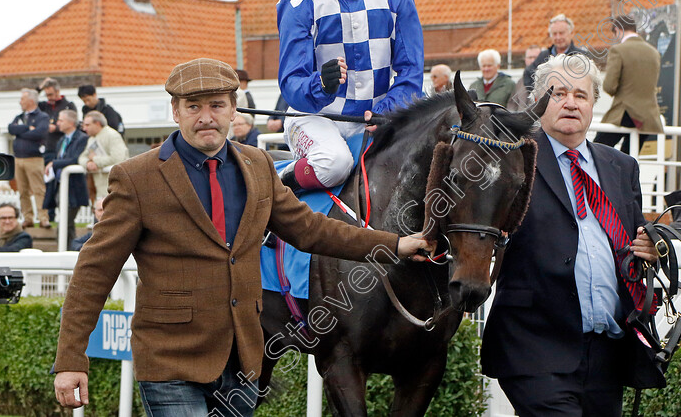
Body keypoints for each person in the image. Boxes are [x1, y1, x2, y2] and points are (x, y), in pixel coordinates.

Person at [53, 58, 435, 415]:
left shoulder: (258, 165)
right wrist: (71, 360)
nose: (206, 118)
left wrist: (394, 244)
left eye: (217, 106)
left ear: (234, 108)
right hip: (171, 363)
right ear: (176, 112)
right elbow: (94, 270)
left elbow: (310, 229)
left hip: (243, 362)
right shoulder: (136, 177)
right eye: (193, 107)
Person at [481, 53, 659, 416]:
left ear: (594, 104)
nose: (570, 103)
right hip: (534, 345)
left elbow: (636, 235)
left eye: (580, 95)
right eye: (558, 93)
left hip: (607, 350)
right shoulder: (511, 160)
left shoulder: (621, 166)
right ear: (538, 101)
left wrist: (651, 247)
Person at [277, 0, 424, 193]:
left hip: (376, 119)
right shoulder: (298, 2)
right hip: (315, 118)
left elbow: (411, 73)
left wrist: (390, 107)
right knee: (335, 163)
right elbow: (292, 84)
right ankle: (279, 185)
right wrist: (322, 85)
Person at [594, 14, 663, 151]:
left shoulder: (618, 50)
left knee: (597, 151)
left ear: (618, 30)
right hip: (647, 117)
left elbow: (609, 86)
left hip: (624, 113)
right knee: (628, 160)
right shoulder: (654, 52)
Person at [42, 110, 89, 250]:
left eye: (61, 120)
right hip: (59, 186)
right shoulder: (61, 140)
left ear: (70, 122)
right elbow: (60, 158)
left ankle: (69, 251)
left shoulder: (82, 138)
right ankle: (72, 251)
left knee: (66, 222)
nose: (58, 123)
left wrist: (54, 164)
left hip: (74, 188)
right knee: (65, 223)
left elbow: (76, 159)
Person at [8, 88, 51, 228]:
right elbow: (11, 129)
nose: (20, 102)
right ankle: (28, 217)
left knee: (38, 189)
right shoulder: (20, 116)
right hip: (18, 158)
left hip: (34, 158)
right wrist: (27, 128)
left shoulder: (42, 117)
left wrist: (21, 131)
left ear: (31, 101)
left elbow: (39, 133)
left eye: (22, 99)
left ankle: (43, 217)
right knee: (22, 191)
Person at [521, 14, 588, 91]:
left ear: (571, 33)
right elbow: (528, 74)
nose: (558, 37)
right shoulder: (543, 56)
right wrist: (540, 93)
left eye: (561, 33)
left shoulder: (581, 56)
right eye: (554, 34)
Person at [78, 111, 129, 199]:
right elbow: (82, 157)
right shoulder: (91, 139)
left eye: (87, 125)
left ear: (97, 124)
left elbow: (118, 158)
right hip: (100, 190)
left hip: (116, 189)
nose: (84, 128)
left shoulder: (112, 135)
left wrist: (95, 160)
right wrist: (88, 163)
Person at [38, 78, 78, 164]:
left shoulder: (68, 105)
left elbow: (74, 124)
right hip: (48, 147)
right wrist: (40, 87)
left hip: (63, 147)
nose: (49, 98)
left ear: (57, 91)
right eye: (47, 95)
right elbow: (31, 100)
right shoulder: (44, 106)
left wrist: (56, 128)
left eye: (51, 94)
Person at [508, 45, 543, 111]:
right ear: (525, 60)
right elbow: (512, 104)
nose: (532, 60)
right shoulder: (519, 83)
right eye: (530, 57)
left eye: (535, 57)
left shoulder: (546, 81)